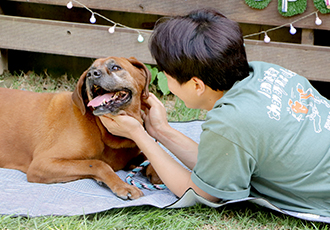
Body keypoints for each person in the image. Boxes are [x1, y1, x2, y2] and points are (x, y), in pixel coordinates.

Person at [100, 8, 330, 217]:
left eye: (167, 75)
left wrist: (139, 135)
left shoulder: (231, 123)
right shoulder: (266, 71)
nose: (167, 81)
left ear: (197, 85)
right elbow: (216, 167)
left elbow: (201, 192)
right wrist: (159, 130)